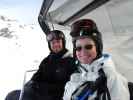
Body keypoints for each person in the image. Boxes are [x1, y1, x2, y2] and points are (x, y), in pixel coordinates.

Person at [63, 19, 130, 100]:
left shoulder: (110, 77)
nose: (83, 52)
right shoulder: (77, 74)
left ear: (97, 48)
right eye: (78, 48)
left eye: (88, 47)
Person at [5, 30, 77, 100]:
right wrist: (32, 83)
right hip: (38, 92)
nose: (55, 45)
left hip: (54, 96)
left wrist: (42, 87)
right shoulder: (47, 60)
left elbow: (67, 86)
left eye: (58, 42)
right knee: (11, 95)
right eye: (52, 43)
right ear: (49, 45)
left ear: (63, 43)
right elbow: (38, 74)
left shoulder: (70, 61)